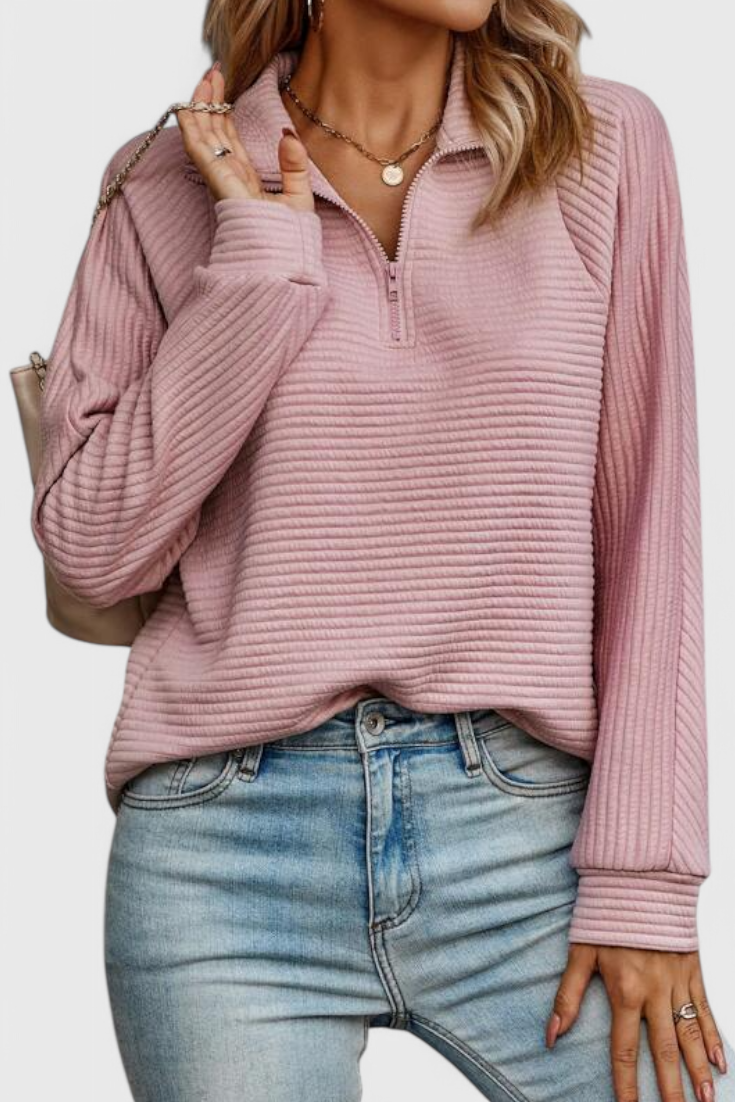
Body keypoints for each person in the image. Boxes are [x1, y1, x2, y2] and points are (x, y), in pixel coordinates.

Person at [30, 1, 734, 1099]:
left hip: (531, 844)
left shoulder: (600, 146)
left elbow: (654, 535)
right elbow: (92, 550)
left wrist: (645, 883)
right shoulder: (166, 182)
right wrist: (258, 265)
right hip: (225, 861)